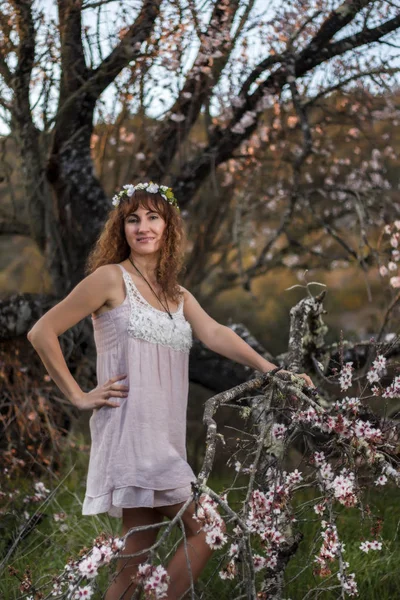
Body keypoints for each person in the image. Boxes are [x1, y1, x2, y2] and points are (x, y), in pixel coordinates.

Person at [27, 181, 315, 599]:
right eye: (132, 219)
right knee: (210, 527)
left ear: (168, 226)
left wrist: (273, 370)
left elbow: (215, 333)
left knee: (131, 566)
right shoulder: (110, 279)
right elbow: (42, 331)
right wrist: (78, 395)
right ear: (120, 228)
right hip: (131, 433)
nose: (143, 227)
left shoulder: (176, 295)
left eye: (152, 217)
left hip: (164, 437)